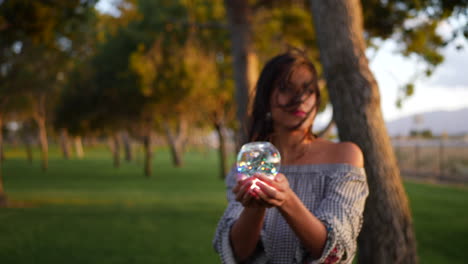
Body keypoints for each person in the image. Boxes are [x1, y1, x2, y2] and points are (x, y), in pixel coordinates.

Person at [213, 51, 369, 264]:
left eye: (308, 90)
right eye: (286, 88)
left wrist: (286, 200)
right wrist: (255, 207)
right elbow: (238, 252)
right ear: (266, 98)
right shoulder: (247, 164)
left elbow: (335, 253)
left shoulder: (344, 157)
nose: (300, 99)